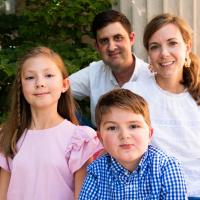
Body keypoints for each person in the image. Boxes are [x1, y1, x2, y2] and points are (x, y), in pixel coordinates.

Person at [0, 46, 102, 200]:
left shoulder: (79, 139)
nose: (40, 83)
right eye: (30, 77)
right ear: (21, 88)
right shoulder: (10, 136)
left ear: (64, 85)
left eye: (48, 75)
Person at [123, 13, 200, 199]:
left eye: (172, 43)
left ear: (187, 47)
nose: (164, 53)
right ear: (149, 54)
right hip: (154, 192)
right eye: (155, 47)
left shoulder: (196, 94)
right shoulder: (135, 92)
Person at [79, 89, 188, 200]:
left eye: (133, 126)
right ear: (101, 138)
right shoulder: (96, 171)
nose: (124, 135)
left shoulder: (167, 167)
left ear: (149, 134)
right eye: (112, 128)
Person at [69, 9, 151, 126]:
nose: (112, 47)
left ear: (131, 38)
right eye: (104, 41)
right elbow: (56, 90)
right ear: (97, 46)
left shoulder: (150, 75)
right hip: (100, 141)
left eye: (118, 38)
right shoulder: (94, 72)